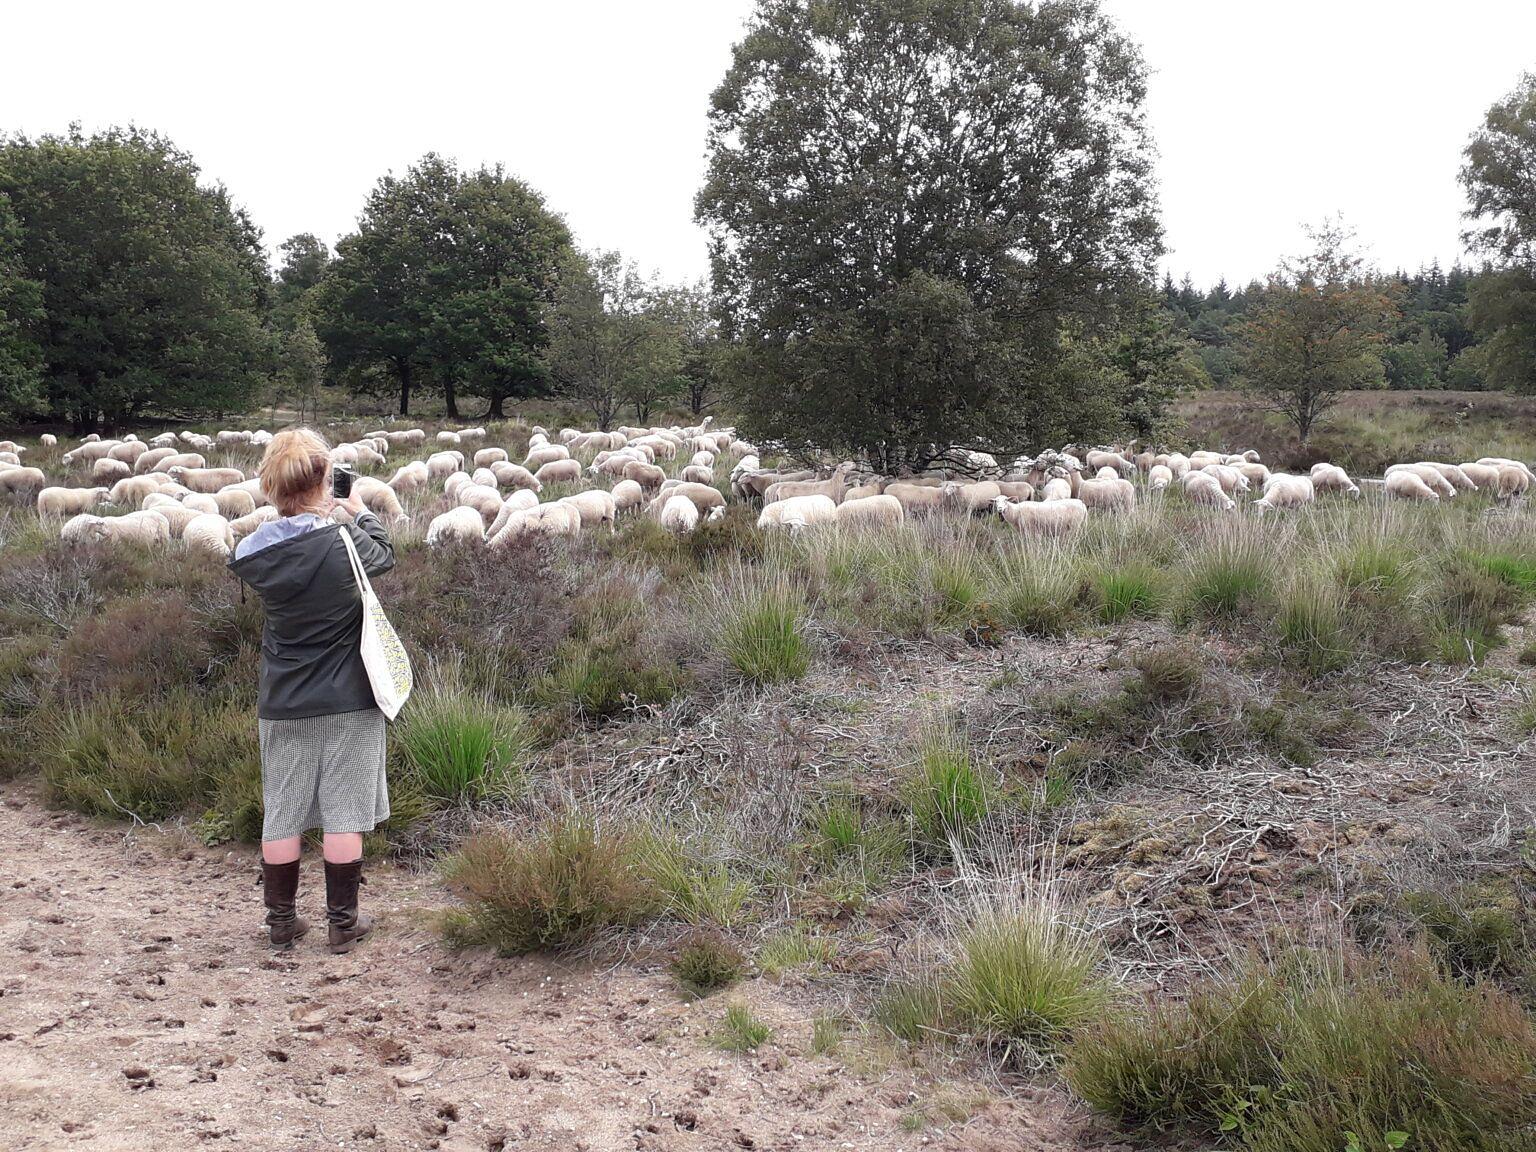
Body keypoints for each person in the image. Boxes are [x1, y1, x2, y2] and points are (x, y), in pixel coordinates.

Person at [230, 428, 396, 953]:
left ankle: (281, 923)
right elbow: (384, 556)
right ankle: (341, 924)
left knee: (282, 808)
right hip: (349, 692)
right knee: (344, 810)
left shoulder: (251, 549)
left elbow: (291, 539)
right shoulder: (342, 542)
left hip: (283, 698)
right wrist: (356, 509)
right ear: (325, 480)